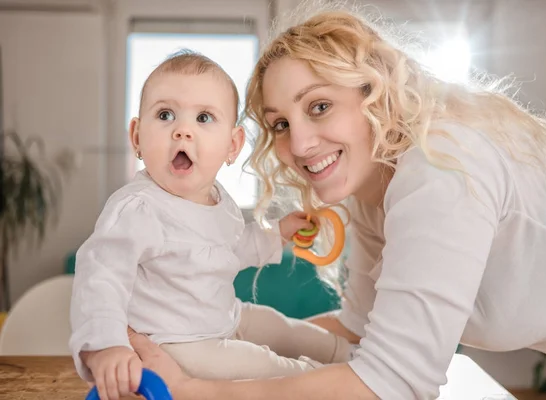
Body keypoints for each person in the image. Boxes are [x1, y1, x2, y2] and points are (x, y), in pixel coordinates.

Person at [125, 4, 546, 400]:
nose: (301, 143)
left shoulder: (441, 168)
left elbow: (391, 383)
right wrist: (211, 346)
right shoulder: (377, 198)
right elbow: (355, 334)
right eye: (281, 124)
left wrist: (191, 387)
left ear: (374, 92)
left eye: (319, 106)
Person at [69, 51, 355, 400]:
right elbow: (100, 277)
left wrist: (278, 233)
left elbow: (233, 248)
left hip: (226, 317)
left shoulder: (219, 199)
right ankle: (332, 384)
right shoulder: (137, 208)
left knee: (287, 330)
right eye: (165, 115)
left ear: (232, 146)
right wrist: (106, 346)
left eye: (204, 117)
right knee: (264, 366)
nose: (183, 131)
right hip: (179, 345)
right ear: (137, 136)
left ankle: (350, 355)